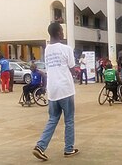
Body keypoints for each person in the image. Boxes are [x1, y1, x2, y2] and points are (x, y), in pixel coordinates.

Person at [32, 22, 79, 161]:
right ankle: (68, 149)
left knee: (53, 119)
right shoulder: (66, 49)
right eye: (62, 31)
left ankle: (40, 146)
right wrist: (74, 73)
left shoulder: (47, 50)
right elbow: (72, 68)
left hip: (52, 90)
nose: (63, 33)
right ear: (58, 33)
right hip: (65, 89)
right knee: (69, 120)